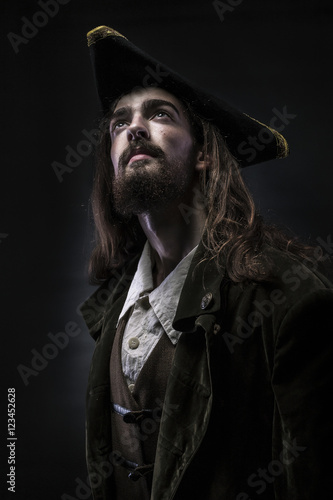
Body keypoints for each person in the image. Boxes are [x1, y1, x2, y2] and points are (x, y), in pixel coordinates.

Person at [80, 26, 333, 500]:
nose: (134, 128)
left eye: (159, 114)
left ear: (203, 156)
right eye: (119, 123)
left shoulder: (289, 301)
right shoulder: (112, 310)